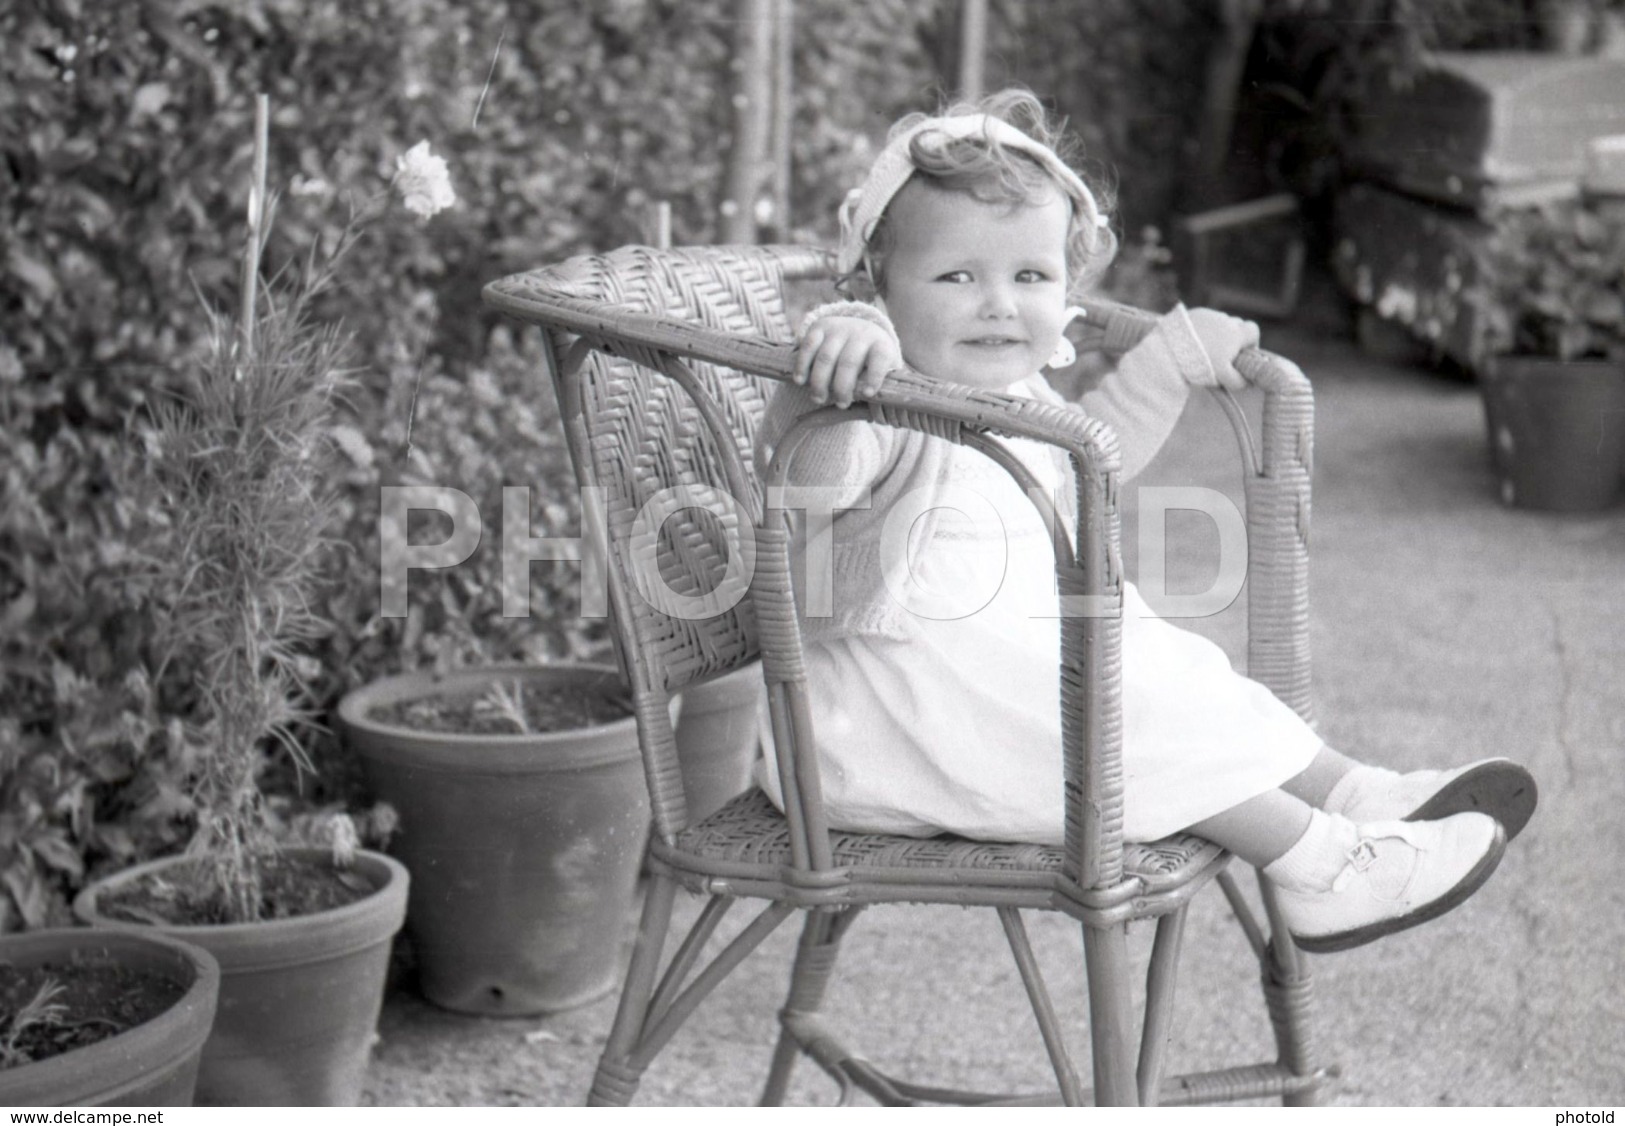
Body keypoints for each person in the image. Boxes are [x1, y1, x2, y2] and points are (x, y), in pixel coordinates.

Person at [752, 89, 1537, 953]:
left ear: (1069, 285)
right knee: (1123, 715)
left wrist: (1165, 363)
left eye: (1029, 277)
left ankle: (1353, 792)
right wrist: (834, 369)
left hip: (998, 694)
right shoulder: (881, 400)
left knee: (1171, 668)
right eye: (955, 277)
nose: (998, 305)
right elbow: (811, 486)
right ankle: (1322, 868)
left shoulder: (1011, 391)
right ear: (878, 283)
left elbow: (1093, 454)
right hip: (886, 733)